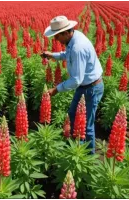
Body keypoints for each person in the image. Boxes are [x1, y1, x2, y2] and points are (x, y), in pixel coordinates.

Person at [41, 15, 104, 154]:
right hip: (85, 86)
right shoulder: (73, 38)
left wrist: (56, 89)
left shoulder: (78, 47)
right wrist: (53, 55)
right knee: (73, 115)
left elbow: (76, 80)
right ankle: (77, 147)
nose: (56, 39)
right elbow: (67, 54)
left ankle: (89, 158)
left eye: (57, 36)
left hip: (91, 88)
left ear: (65, 32)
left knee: (87, 126)